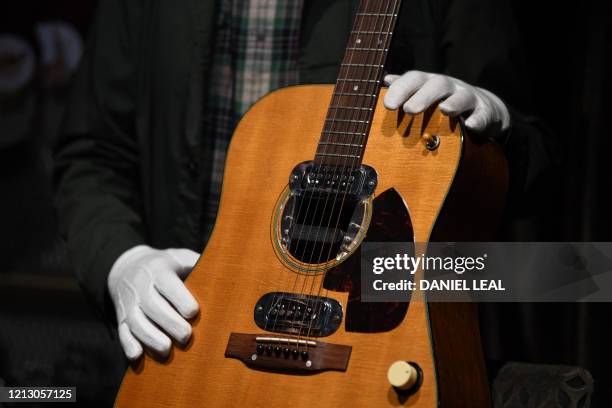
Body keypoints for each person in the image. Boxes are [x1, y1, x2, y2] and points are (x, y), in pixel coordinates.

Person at [54, 0, 556, 361]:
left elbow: (546, 172)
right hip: (191, 345)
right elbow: (92, 153)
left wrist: (497, 127)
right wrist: (122, 262)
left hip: (365, 348)